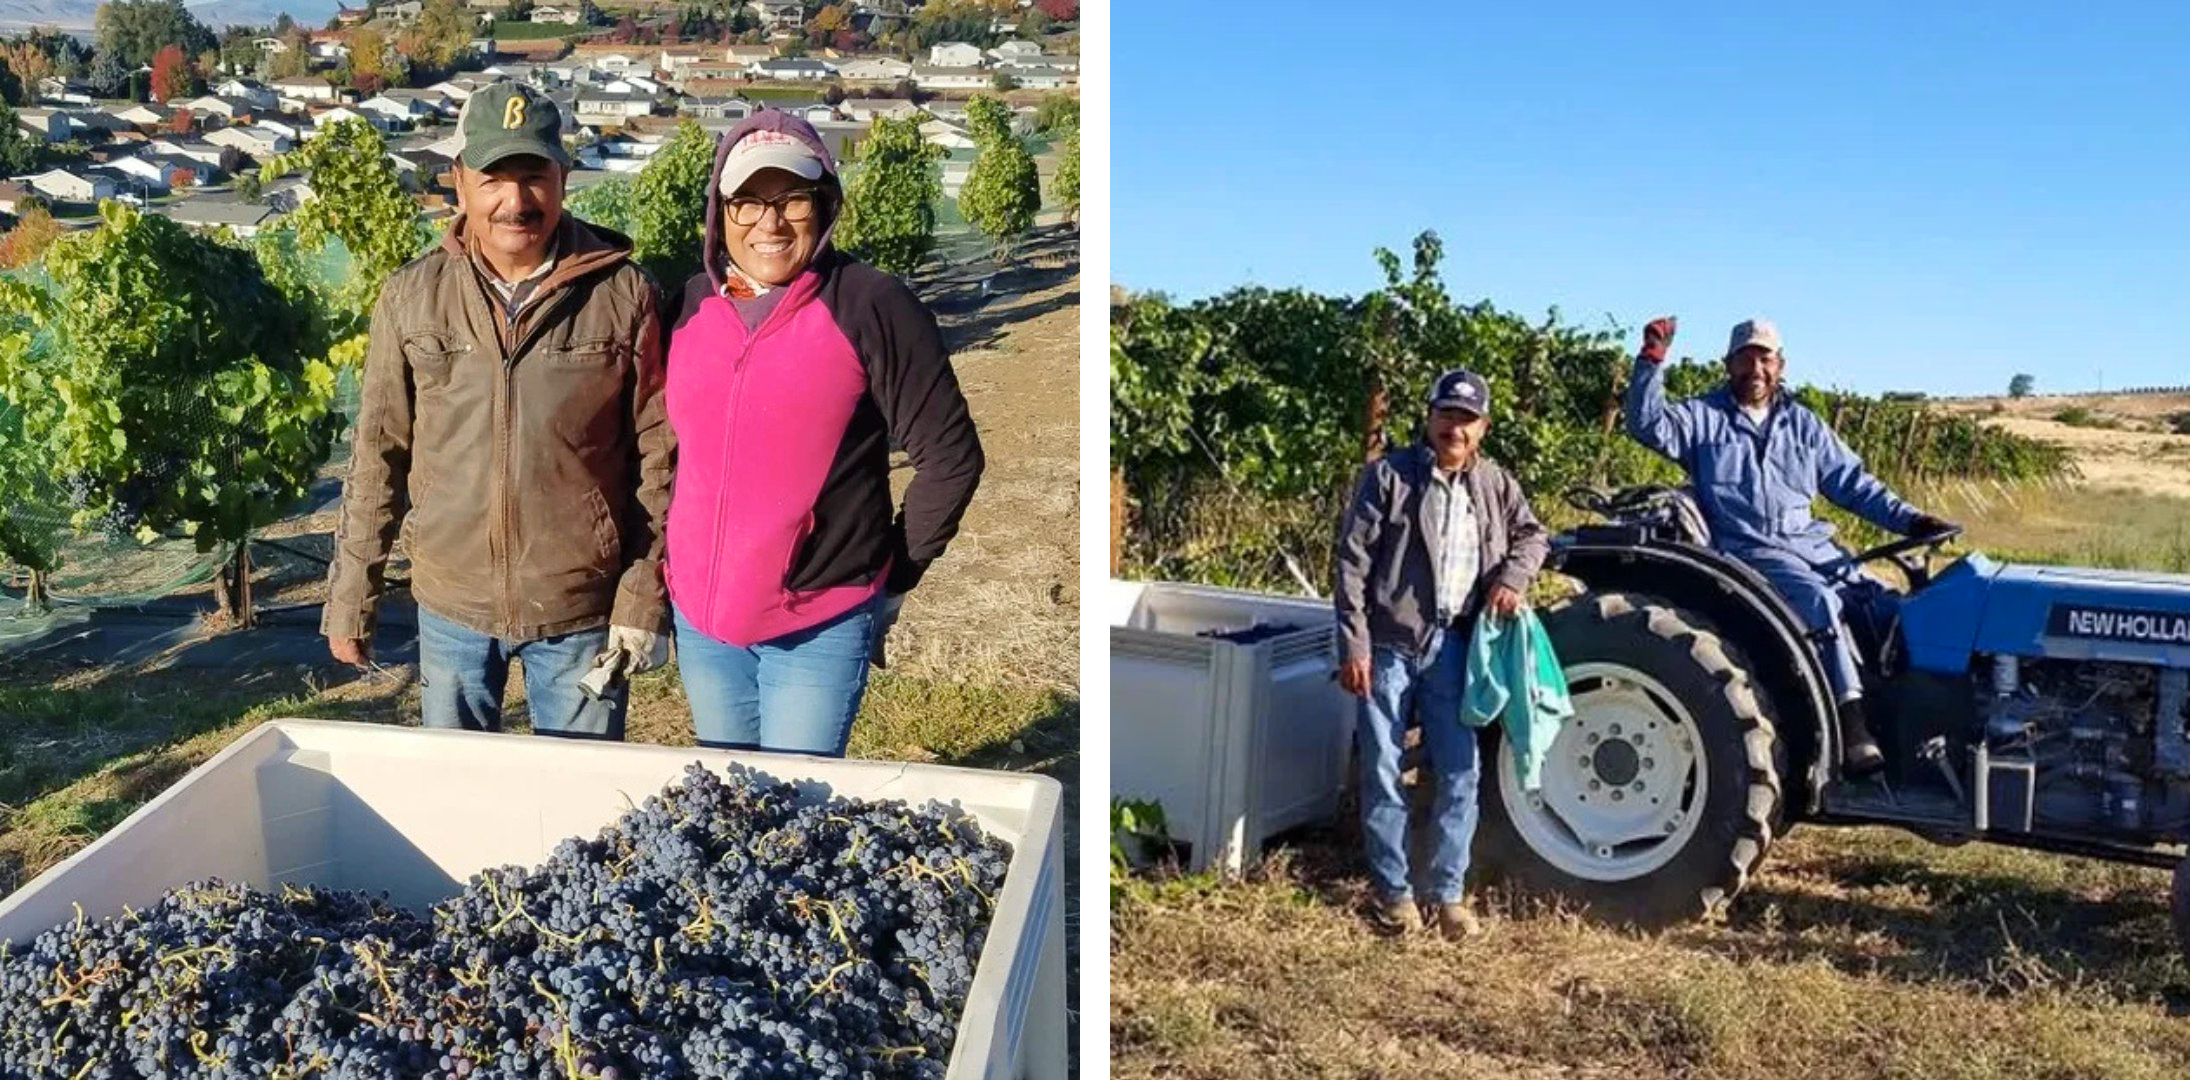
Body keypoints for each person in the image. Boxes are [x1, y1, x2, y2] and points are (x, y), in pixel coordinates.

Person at [322, 83, 674, 739]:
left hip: (579, 609)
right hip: (451, 605)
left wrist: (641, 590)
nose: (515, 202)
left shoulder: (625, 296)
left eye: (534, 176)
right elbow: (379, 455)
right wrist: (351, 594)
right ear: (460, 184)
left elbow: (661, 460)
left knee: (579, 807)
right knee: (459, 801)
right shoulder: (411, 298)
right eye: (493, 179)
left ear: (563, 178)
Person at [662, 110, 983, 756]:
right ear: (719, 212)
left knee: (795, 815)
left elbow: (950, 458)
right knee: (724, 806)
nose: (769, 221)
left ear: (826, 202)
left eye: (792, 199)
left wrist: (895, 575)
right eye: (748, 200)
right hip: (701, 622)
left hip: (818, 622)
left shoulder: (870, 305)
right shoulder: (692, 303)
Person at [1624, 316, 1958, 774]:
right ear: (1729, 364)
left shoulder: (1804, 425)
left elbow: (1853, 484)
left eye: (1764, 358)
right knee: (1818, 602)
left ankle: (1911, 722)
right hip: (1749, 549)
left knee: (1883, 604)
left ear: (1780, 365)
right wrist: (1651, 360)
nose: (1755, 368)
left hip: (1813, 547)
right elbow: (1646, 424)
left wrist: (1911, 519)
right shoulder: (1703, 418)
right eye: (1745, 358)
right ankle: (1850, 727)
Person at [1333, 369, 1551, 938]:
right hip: (1388, 645)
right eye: (1447, 414)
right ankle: (1395, 893)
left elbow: (1534, 536)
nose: (1455, 427)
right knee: (1383, 770)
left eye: (1467, 418)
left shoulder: (1495, 484)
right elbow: (1352, 564)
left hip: (1456, 646)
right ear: (1429, 417)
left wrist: (1513, 578)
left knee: (1460, 770)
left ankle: (1448, 892)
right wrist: (1354, 642)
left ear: (1483, 427)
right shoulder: (1389, 477)